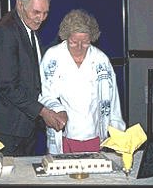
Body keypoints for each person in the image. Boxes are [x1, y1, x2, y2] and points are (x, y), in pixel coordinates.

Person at [0, 0, 67, 156]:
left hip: (23, 125)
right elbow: (8, 86)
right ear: (20, 4)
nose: (40, 18)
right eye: (36, 12)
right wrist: (43, 112)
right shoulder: (5, 31)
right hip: (5, 128)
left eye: (45, 13)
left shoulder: (26, 28)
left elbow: (33, 75)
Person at [39, 9, 126, 154]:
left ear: (92, 39)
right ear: (66, 37)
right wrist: (58, 110)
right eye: (73, 42)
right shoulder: (53, 57)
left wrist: (117, 132)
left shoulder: (101, 60)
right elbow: (45, 93)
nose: (79, 48)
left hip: (94, 135)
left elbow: (113, 100)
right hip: (65, 135)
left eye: (85, 43)